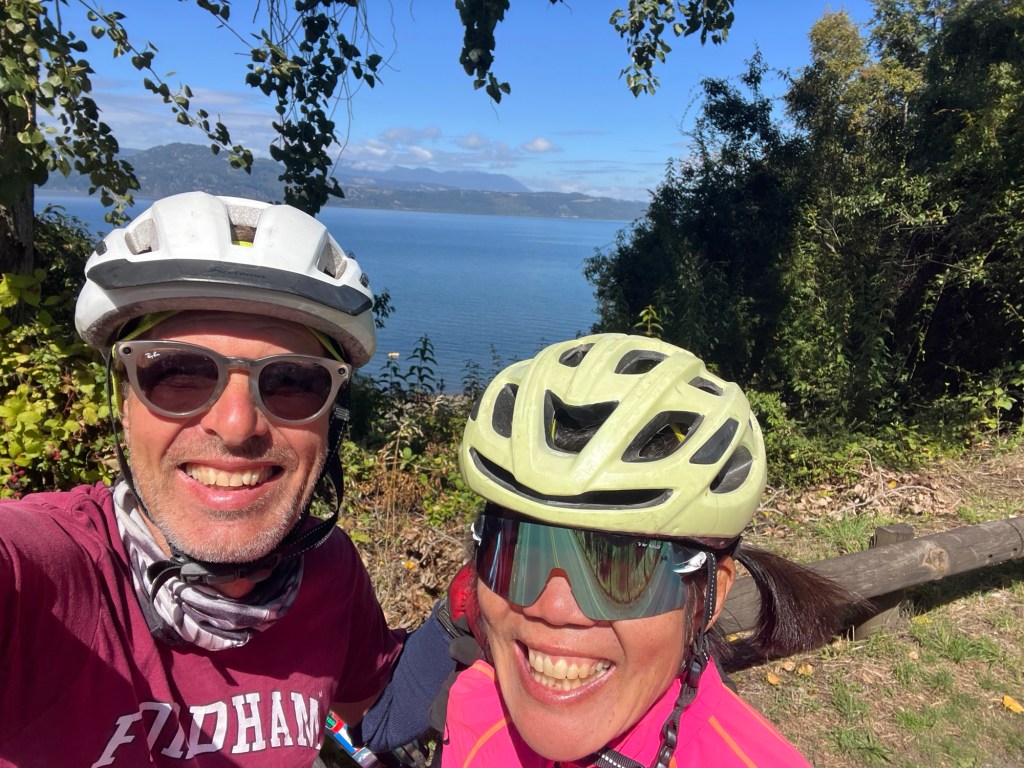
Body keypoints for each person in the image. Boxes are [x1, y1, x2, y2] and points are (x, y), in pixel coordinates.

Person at [0, 192, 404, 767]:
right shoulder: (53, 577)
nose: (236, 427)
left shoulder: (329, 570)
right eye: (179, 373)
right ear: (123, 403)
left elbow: (375, 708)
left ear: (330, 419)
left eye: (293, 381)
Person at [434, 333, 860, 767]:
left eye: (622, 570)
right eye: (518, 556)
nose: (555, 608)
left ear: (707, 598)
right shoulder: (473, 702)